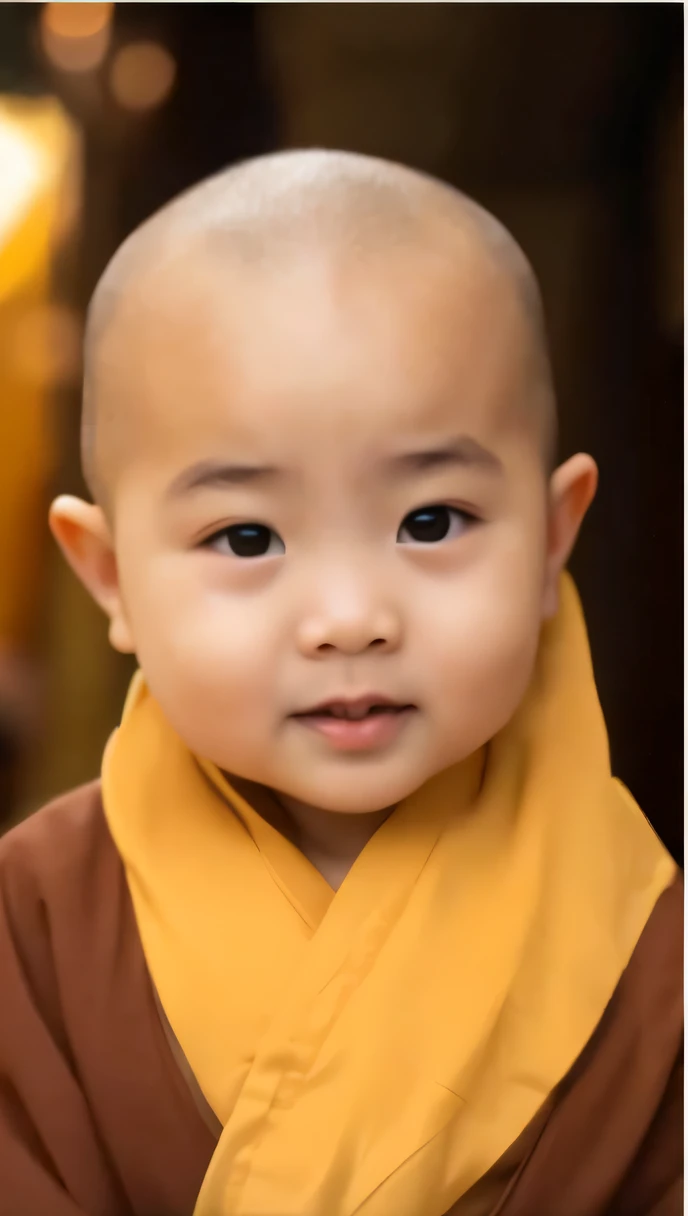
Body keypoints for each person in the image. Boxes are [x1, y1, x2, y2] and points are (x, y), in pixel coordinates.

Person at [0, 150, 681, 1216]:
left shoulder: (650, 948)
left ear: (554, 541)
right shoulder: (32, 923)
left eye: (430, 521)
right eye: (246, 535)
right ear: (110, 575)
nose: (350, 618)